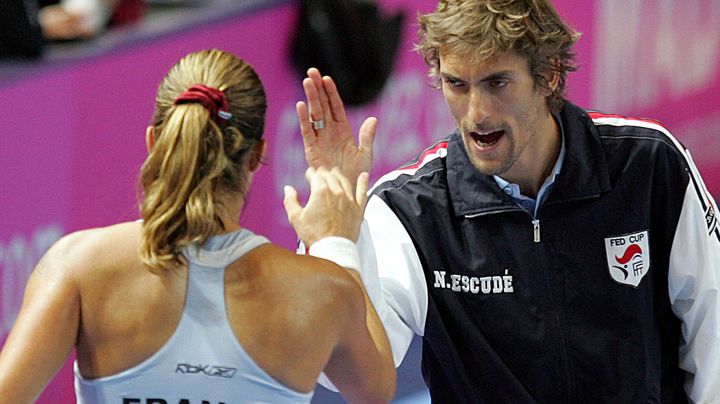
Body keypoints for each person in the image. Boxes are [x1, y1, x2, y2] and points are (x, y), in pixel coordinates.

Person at [295, 0, 720, 402]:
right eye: (456, 84)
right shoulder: (409, 210)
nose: (476, 113)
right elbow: (341, 374)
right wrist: (336, 245)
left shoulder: (648, 163)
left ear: (549, 74)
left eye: (496, 82)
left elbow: (711, 321)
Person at [0, 49, 395, 403]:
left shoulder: (77, 265)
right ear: (258, 154)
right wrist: (337, 245)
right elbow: (374, 390)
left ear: (155, 140)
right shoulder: (323, 288)